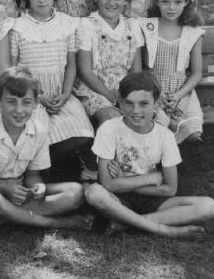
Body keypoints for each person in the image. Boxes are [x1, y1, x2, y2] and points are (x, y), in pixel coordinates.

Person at [84, 72, 214, 238]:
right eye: (129, 103)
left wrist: (124, 180)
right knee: (94, 193)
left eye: (144, 103)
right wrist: (150, 179)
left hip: (152, 200)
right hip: (117, 199)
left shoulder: (165, 136)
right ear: (120, 101)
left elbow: (170, 189)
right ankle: (163, 229)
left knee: (209, 206)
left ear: (156, 102)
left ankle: (125, 223)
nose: (136, 111)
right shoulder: (109, 129)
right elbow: (108, 185)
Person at [0, 67, 87, 230]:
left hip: (19, 190)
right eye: (11, 102)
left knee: (76, 192)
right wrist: (7, 189)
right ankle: (52, 223)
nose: (19, 110)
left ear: (36, 103)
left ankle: (5, 217)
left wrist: (38, 187)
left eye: (26, 102)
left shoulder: (39, 130)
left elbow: (33, 175)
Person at [8, 0, 94, 180]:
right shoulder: (17, 26)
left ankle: (56, 166)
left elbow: (71, 64)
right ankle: (41, 171)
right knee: (36, 133)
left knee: (80, 132)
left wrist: (65, 94)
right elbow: (13, 69)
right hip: (30, 96)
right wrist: (36, 96)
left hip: (59, 93)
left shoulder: (68, 24)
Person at [140, 0, 204, 143]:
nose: (171, 7)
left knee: (192, 131)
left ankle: (172, 139)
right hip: (151, 87)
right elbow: (140, 68)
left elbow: (196, 73)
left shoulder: (192, 32)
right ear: (156, 1)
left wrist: (178, 95)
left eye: (177, 2)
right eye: (165, 1)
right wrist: (157, 91)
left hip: (181, 90)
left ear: (186, 2)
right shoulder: (146, 27)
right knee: (158, 125)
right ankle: (157, 157)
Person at [75, 0, 143, 127]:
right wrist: (111, 96)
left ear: (126, 0)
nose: (112, 3)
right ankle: (105, 151)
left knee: (148, 115)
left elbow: (136, 72)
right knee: (112, 119)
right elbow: (85, 71)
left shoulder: (132, 26)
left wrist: (127, 96)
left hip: (125, 89)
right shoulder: (87, 25)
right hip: (95, 89)